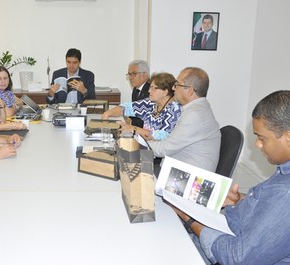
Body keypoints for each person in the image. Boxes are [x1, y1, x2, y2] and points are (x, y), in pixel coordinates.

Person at [174, 90, 290, 264]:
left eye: (262, 138)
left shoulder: (285, 193)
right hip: (230, 232)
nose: (257, 144)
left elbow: (236, 258)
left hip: (223, 252)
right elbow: (270, 209)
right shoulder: (284, 172)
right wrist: (241, 201)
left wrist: (190, 220)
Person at [148, 67, 220, 172]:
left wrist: (137, 144)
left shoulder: (194, 115)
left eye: (177, 85)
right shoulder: (198, 108)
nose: (173, 88)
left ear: (190, 91)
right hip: (179, 169)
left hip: (186, 179)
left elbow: (163, 149)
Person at [101, 72, 181, 141]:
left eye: (154, 88)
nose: (149, 91)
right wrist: (107, 114)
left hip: (160, 155)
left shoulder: (174, 110)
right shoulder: (150, 103)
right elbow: (126, 107)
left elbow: (161, 136)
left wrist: (133, 129)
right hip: (146, 148)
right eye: (150, 87)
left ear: (165, 92)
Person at [123, 59, 151, 128]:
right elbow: (135, 113)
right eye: (129, 74)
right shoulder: (136, 89)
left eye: (134, 74)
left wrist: (130, 122)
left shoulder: (151, 90)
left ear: (145, 74)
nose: (130, 77)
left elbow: (148, 120)